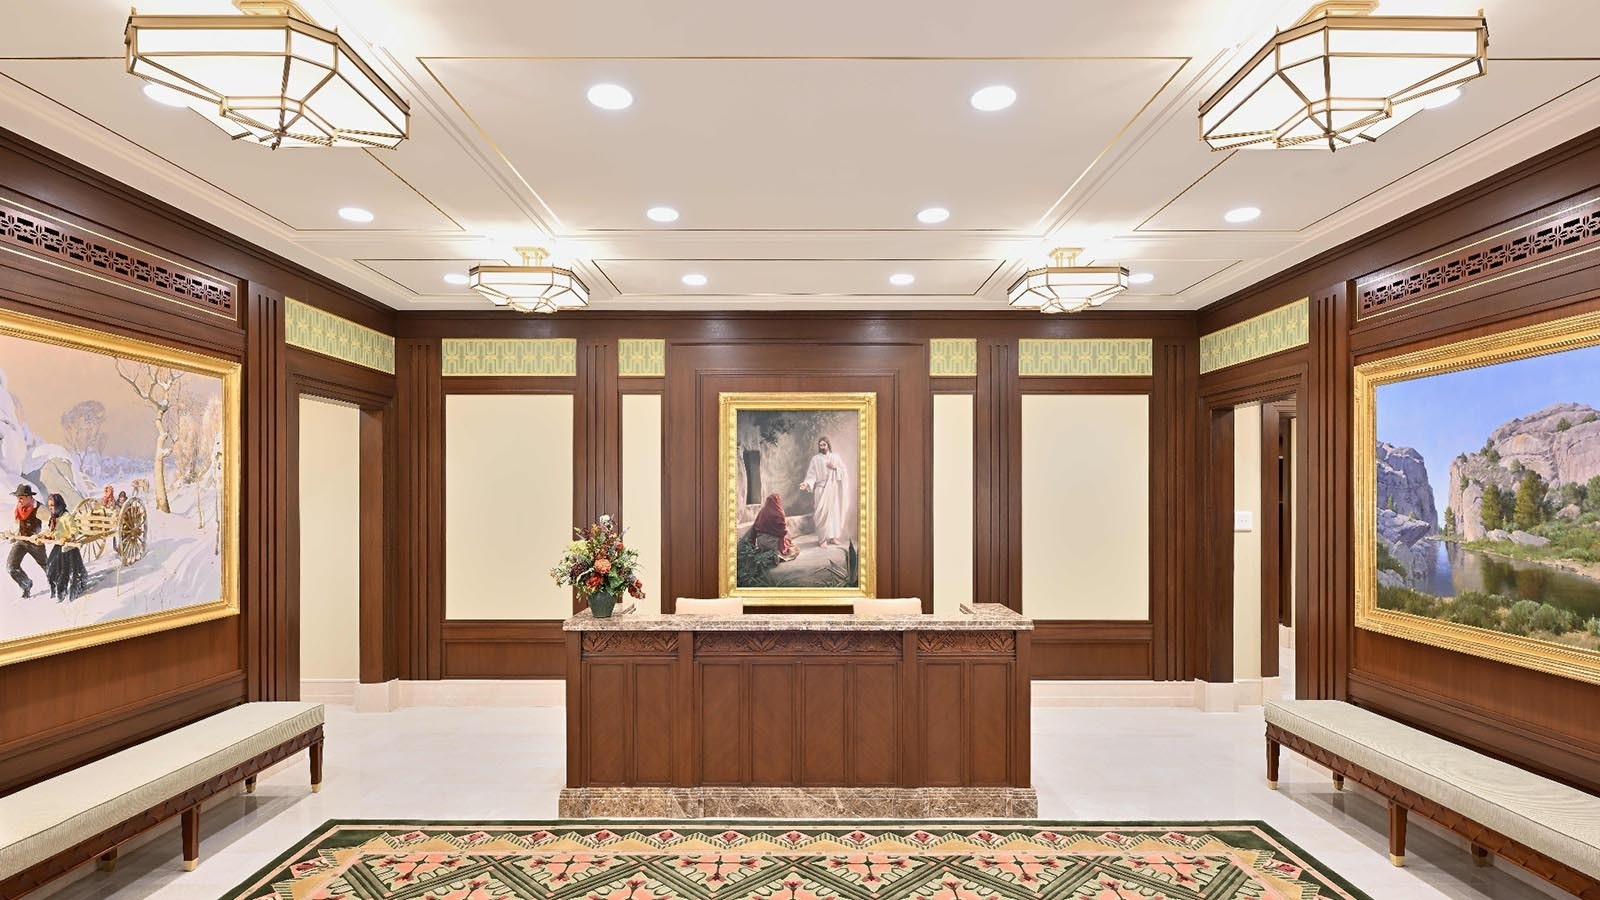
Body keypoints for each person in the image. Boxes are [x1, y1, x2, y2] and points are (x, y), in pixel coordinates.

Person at [798, 436, 850, 548]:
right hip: (820, 489)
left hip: (833, 489)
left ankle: (833, 537)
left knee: (833, 514)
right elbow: (811, 475)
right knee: (822, 515)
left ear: (828, 445)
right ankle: (822, 540)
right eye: (820, 445)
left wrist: (835, 467)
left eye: (824, 445)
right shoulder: (815, 459)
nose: (822, 447)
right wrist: (806, 483)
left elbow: (844, 471)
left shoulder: (835, 457)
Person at [7, 484, 48, 599]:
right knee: (11, 567)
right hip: (21, 541)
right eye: (17, 497)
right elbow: (16, 525)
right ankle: (26, 584)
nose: (18, 499)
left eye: (21, 497)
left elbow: (49, 523)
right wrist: (10, 533)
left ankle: (58, 585)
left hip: (35, 543)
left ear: (29, 497)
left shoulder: (39, 508)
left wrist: (40, 535)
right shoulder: (18, 508)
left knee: (46, 566)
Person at [45, 493, 88, 602]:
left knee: (67, 571)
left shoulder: (66, 516)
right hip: (59, 545)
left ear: (59, 505)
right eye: (49, 505)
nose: (50, 508)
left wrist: (68, 538)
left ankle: (63, 593)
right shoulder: (53, 517)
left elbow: (74, 531)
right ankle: (57, 591)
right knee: (51, 567)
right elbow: (52, 531)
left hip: (69, 547)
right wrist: (46, 536)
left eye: (53, 505)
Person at [751, 493, 800, 561]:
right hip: (772, 543)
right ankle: (777, 556)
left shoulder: (762, 511)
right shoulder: (779, 512)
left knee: (787, 542)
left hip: (760, 542)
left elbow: (755, 527)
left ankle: (769, 554)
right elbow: (783, 532)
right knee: (793, 548)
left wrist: (752, 545)